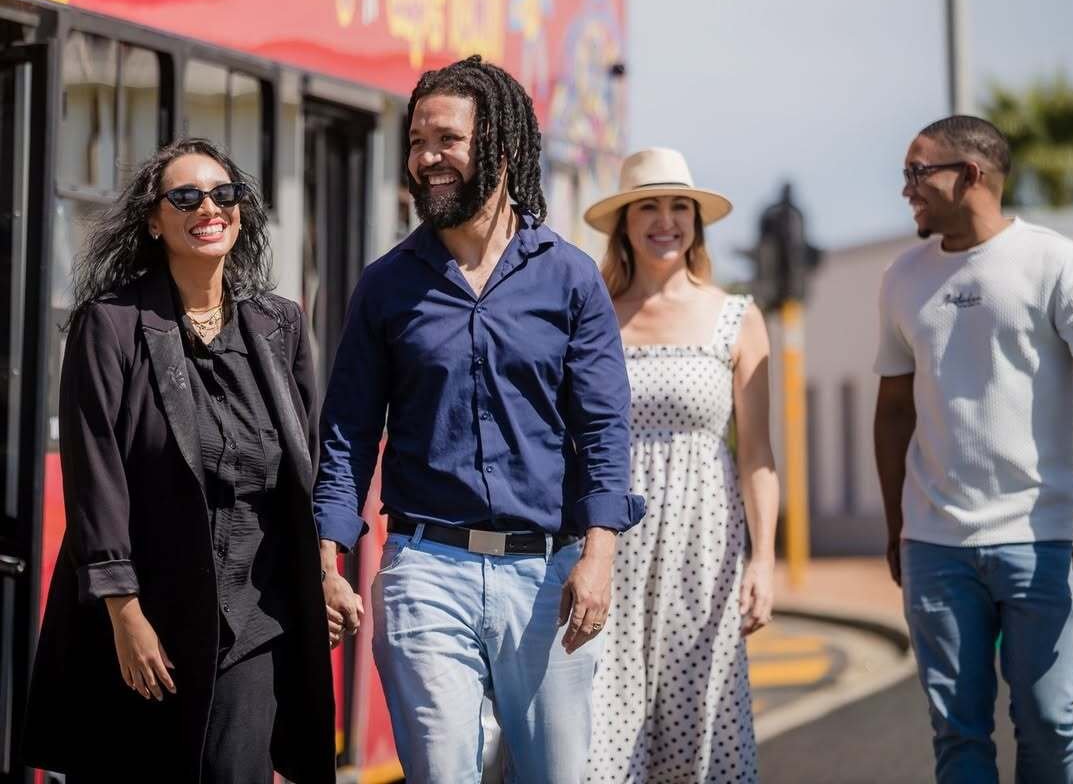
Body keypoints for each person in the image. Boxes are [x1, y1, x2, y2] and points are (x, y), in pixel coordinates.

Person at [313, 55, 644, 783]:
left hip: (547, 574)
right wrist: (328, 558)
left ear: (498, 143)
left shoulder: (569, 278)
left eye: (447, 140)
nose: (427, 158)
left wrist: (598, 557)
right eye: (417, 141)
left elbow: (602, 429)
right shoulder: (386, 286)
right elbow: (346, 433)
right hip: (427, 567)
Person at [22, 139, 335, 784]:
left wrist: (326, 569)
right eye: (186, 197)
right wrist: (124, 612)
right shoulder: (109, 325)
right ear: (154, 219)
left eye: (224, 195)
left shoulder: (280, 326)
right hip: (149, 621)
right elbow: (94, 473)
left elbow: (308, 469)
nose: (208, 209)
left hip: (254, 620)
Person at [874, 115, 1073, 784]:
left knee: (1051, 722)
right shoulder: (902, 277)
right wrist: (896, 524)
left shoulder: (1055, 261)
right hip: (936, 545)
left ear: (971, 176)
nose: (906, 188)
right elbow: (895, 406)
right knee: (958, 734)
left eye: (917, 171)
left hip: (1042, 535)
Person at [582, 147, 778, 783]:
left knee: (700, 719)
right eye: (648, 206)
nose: (664, 220)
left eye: (678, 207)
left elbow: (757, 455)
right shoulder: (592, 315)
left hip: (704, 541)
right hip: (609, 542)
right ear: (624, 223)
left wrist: (765, 559)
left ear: (696, 222)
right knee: (599, 727)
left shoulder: (737, 317)